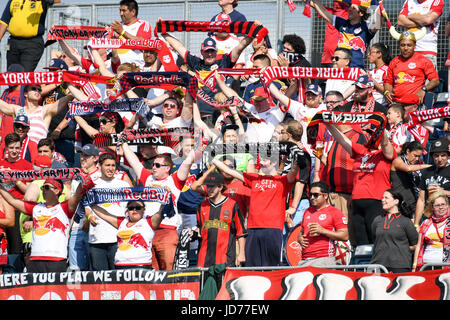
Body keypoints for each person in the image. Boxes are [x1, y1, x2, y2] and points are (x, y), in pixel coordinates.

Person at [211, 148, 301, 267]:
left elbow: (294, 171)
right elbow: (229, 170)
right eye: (261, 159)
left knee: (272, 268)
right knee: (252, 268)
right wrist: (211, 156)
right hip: (252, 230)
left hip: (273, 229)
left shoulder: (283, 180)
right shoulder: (253, 178)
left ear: (274, 162)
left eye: (265, 160)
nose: (261, 162)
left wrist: (297, 154)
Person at [120, 140, 197, 270]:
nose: (153, 167)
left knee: (169, 271)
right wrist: (123, 143)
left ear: (167, 168)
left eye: (157, 165)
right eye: (153, 165)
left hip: (167, 231)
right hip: (148, 231)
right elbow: (134, 162)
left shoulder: (174, 180)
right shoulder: (148, 178)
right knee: (152, 273)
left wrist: (198, 143)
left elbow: (187, 162)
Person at [0, 175, 92, 273]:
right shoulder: (36, 208)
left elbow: (78, 195)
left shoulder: (64, 208)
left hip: (57, 259)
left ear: (57, 191)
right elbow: (12, 200)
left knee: (54, 289)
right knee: (35, 289)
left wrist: (84, 180)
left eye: (47, 187)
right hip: (35, 259)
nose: (43, 190)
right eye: (42, 187)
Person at [161, 21, 256, 114]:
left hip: (219, 115)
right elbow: (178, 47)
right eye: (207, 51)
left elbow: (240, 47)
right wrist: (163, 33)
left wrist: (253, 32)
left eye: (212, 51)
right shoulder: (195, 62)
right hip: (198, 115)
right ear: (201, 52)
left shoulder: (224, 62)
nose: (210, 54)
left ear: (216, 52)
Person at [326, 123, 395, 246]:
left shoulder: (386, 153)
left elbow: (385, 144)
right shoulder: (361, 150)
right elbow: (341, 139)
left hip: (376, 201)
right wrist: (328, 124)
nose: (371, 136)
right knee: (361, 242)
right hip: (357, 203)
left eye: (374, 134)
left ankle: (376, 266)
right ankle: (362, 265)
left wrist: (382, 129)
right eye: (369, 134)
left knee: (375, 239)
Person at [89, 199, 168, 270]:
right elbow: (104, 214)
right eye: (130, 208)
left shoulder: (149, 221)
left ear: (143, 210)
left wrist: (167, 195)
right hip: (120, 265)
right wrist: (90, 202)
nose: (134, 210)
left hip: (141, 265)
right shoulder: (122, 222)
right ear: (127, 211)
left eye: (138, 207)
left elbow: (163, 210)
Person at [86, 152, 132, 271]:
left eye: (113, 165)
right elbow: (86, 206)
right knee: (99, 276)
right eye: (107, 165)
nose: (111, 168)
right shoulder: (92, 185)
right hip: (97, 238)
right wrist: (90, 216)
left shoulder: (123, 185)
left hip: (118, 238)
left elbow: (129, 208)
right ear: (99, 166)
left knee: (117, 275)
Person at [191, 172, 246, 268]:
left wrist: (241, 254)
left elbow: (241, 232)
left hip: (225, 259)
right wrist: (193, 233)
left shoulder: (232, 205)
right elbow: (201, 228)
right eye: (208, 186)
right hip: (204, 259)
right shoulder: (202, 206)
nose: (209, 189)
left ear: (220, 187)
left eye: (213, 186)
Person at [307, 0, 380, 69]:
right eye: (350, 7)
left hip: (355, 71)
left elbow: (378, 23)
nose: (350, 9)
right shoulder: (342, 23)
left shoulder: (366, 27)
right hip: (338, 70)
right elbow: (324, 12)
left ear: (361, 13)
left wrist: (379, 5)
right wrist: (315, 1)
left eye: (353, 8)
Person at [0, 84, 74, 144]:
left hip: (38, 155)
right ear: (25, 93)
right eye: (34, 89)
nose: (37, 91)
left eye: (39, 90)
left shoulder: (45, 110)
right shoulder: (17, 110)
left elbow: (67, 98)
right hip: (20, 154)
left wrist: (72, 84)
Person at [297, 181, 349, 267]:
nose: (312, 198)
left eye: (316, 195)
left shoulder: (334, 212)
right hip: (304, 259)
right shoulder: (307, 211)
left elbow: (345, 236)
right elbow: (302, 231)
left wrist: (323, 231)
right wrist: (299, 238)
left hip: (323, 259)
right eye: (310, 195)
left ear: (325, 196)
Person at [0, 0, 61, 72]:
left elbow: (58, 1)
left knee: (24, 76)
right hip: (12, 43)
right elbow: (3, 22)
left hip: (32, 44)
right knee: (12, 76)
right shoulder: (12, 1)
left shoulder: (41, 1)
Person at [384, 31, 440, 109]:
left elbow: (435, 80)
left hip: (415, 105)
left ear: (414, 46)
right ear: (399, 46)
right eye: (402, 45)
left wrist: (424, 89)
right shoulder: (394, 61)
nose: (406, 48)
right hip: (396, 105)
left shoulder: (423, 60)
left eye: (409, 45)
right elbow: (388, 82)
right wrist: (387, 91)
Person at [67, 144, 100, 271]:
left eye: (87, 156)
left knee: (94, 271)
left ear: (95, 158)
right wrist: (68, 230)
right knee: (76, 271)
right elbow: (72, 206)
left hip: (93, 227)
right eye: (81, 155)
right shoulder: (76, 178)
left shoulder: (101, 176)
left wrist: (89, 218)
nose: (82, 158)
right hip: (76, 228)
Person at [370, 189, 418, 273]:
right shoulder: (377, 220)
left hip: (400, 266)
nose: (383, 200)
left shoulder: (405, 221)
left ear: (396, 201)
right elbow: (375, 240)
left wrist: (402, 247)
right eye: (382, 198)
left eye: (386, 198)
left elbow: (416, 244)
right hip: (377, 265)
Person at [414, 137, 450, 229]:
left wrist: (444, 192)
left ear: (448, 156)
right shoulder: (427, 172)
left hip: (447, 219)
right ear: (432, 157)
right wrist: (416, 224)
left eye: (443, 155)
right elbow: (421, 200)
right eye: (436, 155)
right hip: (429, 218)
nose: (440, 159)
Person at [397, 0, 444, 69]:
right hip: (408, 51)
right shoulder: (408, 1)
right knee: (409, 79)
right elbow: (400, 21)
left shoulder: (436, 1)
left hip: (427, 51)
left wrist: (411, 16)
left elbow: (428, 20)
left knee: (429, 79)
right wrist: (423, 20)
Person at [391, 141, 432, 219]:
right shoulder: (398, 161)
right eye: (415, 155)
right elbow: (408, 169)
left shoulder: (415, 165)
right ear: (408, 151)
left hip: (414, 204)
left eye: (419, 156)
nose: (417, 159)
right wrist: (429, 166)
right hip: (401, 205)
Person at [413, 191, 450, 271]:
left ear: (447, 206)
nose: (441, 207)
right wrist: (414, 266)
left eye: (443, 204)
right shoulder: (426, 223)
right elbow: (419, 245)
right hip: (426, 267)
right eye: (437, 205)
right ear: (432, 207)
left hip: (446, 267)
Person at [110, 0, 152, 69]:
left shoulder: (143, 24)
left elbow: (142, 42)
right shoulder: (117, 25)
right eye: (120, 10)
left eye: (124, 10)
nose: (121, 13)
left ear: (133, 12)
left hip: (135, 68)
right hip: (116, 68)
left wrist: (122, 32)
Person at [367, 42, 391, 107]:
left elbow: (388, 91)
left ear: (379, 54)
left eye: (371, 52)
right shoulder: (369, 71)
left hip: (382, 107)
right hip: (369, 106)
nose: (368, 55)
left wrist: (371, 79)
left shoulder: (387, 70)